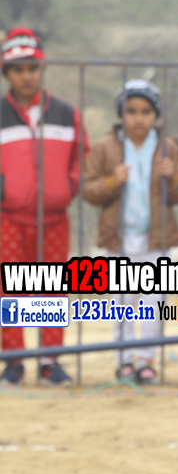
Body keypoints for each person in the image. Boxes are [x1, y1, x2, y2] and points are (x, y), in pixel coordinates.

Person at [84, 80, 178, 384]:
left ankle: (146, 360)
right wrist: (111, 182)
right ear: (121, 113)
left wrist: (173, 178)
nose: (139, 118)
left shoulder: (169, 146)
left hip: (156, 238)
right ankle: (124, 360)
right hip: (119, 239)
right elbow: (89, 190)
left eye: (146, 111)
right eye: (131, 111)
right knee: (122, 302)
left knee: (154, 302)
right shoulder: (105, 147)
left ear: (155, 114)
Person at [0, 28, 88, 386]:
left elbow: (81, 157)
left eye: (32, 68)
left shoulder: (66, 114)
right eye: (18, 69)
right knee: (10, 289)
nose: (26, 76)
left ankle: (50, 361)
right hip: (9, 217)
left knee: (51, 287)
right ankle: (14, 361)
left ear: (42, 69)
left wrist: (69, 187)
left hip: (54, 217)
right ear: (7, 73)